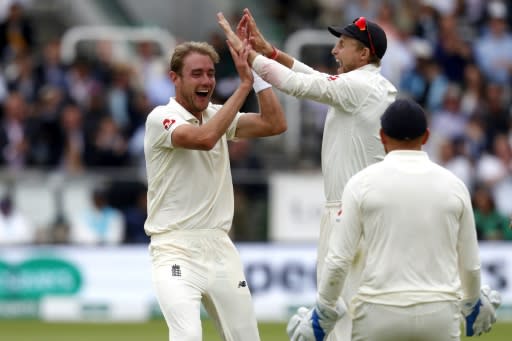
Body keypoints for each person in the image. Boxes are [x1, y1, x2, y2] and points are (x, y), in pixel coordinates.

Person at [217, 9, 397, 340]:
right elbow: (312, 77)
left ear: (364, 52)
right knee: (352, 308)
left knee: (341, 311)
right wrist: (269, 52)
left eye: (342, 44)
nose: (334, 51)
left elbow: (300, 84)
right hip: (361, 211)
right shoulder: (366, 86)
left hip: (348, 213)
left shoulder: (359, 86)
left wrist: (250, 58)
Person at [286, 98, 502, 341]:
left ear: (382, 136)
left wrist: (323, 312)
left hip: (379, 312)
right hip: (439, 313)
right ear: (427, 136)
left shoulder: (360, 184)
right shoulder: (455, 185)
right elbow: (470, 263)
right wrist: (472, 303)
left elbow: (338, 260)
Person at [143, 41, 286, 341]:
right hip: (174, 248)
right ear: (175, 78)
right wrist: (243, 87)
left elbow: (274, 123)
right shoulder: (161, 117)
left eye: (210, 73)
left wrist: (256, 72)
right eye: (196, 74)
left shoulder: (218, 116)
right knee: (188, 336)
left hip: (220, 248)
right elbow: (204, 138)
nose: (206, 81)